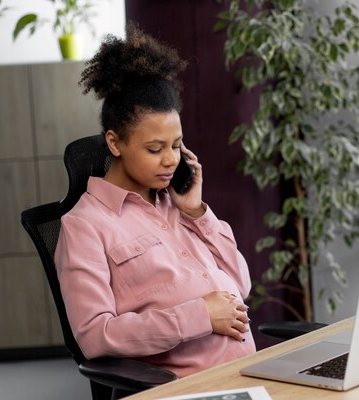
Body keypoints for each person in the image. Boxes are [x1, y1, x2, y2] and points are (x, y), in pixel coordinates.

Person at [54, 24, 255, 378]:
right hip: (190, 388)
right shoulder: (84, 226)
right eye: (154, 148)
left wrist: (196, 212)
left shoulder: (178, 205)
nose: (170, 160)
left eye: (176, 145)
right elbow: (95, 336)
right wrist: (200, 316)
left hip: (249, 372)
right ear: (115, 143)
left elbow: (241, 284)